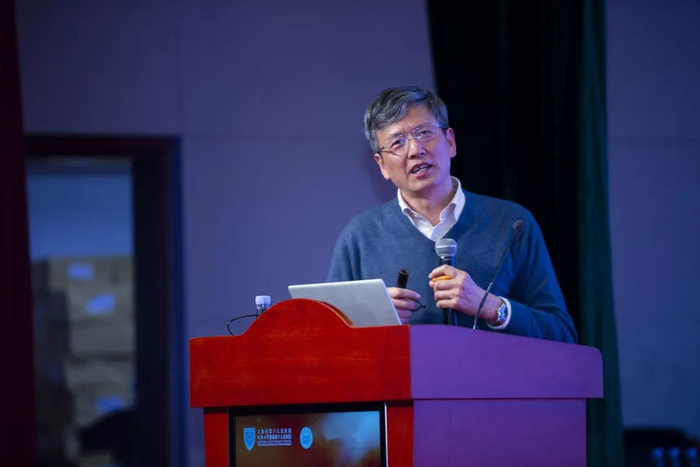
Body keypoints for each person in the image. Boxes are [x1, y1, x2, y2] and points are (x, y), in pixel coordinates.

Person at [327, 85, 577, 343]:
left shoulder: (512, 223)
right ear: (382, 165)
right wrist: (369, 319)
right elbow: (327, 342)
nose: (415, 150)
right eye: (397, 142)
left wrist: (492, 308)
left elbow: (562, 334)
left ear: (450, 142)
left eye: (424, 133)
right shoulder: (360, 237)